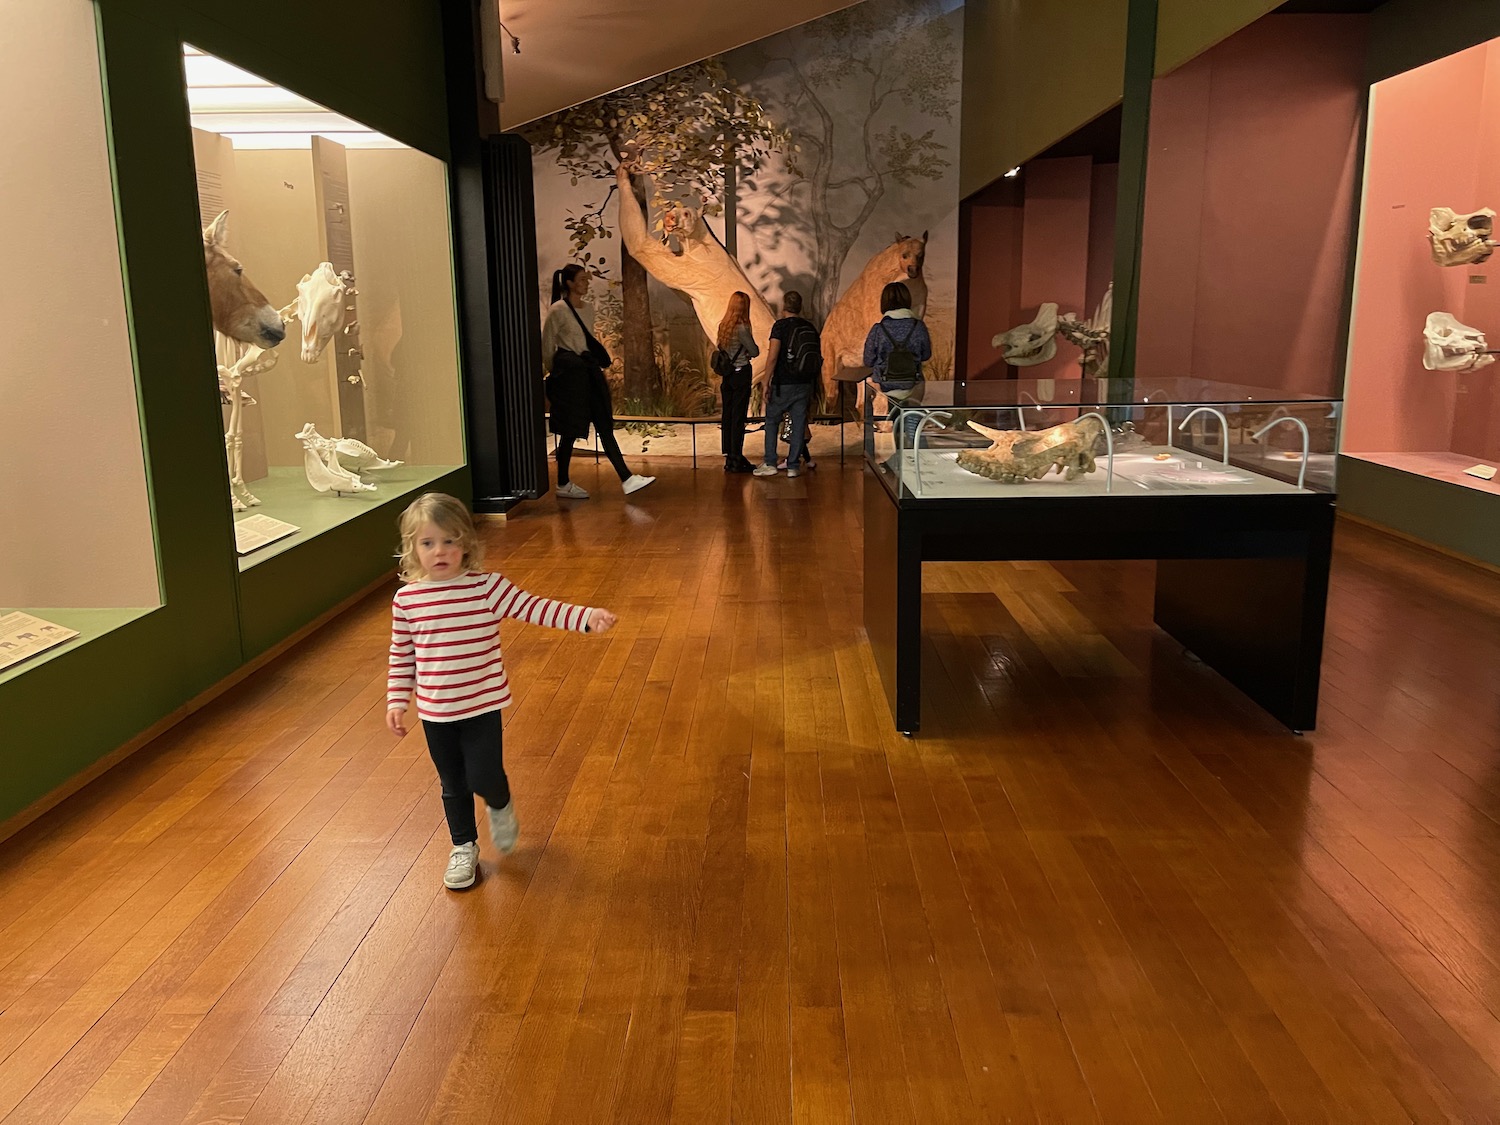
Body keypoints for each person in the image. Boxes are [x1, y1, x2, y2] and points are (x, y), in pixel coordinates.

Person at [385, 492, 618, 890]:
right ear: (412, 549)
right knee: (452, 784)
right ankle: (463, 847)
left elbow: (536, 607)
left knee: (484, 775)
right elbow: (402, 653)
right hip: (436, 714)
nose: (439, 551)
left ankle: (500, 801)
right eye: (428, 543)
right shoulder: (408, 600)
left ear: (466, 543)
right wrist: (396, 698)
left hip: (481, 707)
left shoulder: (486, 589)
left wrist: (585, 617)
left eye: (449, 540)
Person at [541, 265, 655, 499]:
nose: (586, 283)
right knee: (570, 431)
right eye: (582, 279)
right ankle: (563, 483)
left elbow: (586, 340)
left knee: (604, 425)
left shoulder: (588, 308)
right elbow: (547, 346)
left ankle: (627, 478)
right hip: (571, 377)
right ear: (570, 283)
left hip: (588, 372)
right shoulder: (558, 310)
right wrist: (559, 372)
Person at [754, 290, 821, 478]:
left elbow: (773, 356)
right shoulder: (810, 328)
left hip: (783, 383)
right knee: (799, 423)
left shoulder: (780, 327)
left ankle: (770, 462)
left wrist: (766, 381)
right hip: (804, 383)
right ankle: (793, 466)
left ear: (784, 306)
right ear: (800, 306)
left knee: (772, 421)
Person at [862, 280, 933, 445]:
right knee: (914, 427)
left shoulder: (878, 330)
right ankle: (917, 461)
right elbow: (926, 354)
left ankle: (901, 462)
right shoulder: (918, 326)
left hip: (888, 386)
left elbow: (868, 360)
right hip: (913, 384)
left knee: (898, 426)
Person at [714, 291, 759, 472]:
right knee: (738, 417)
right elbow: (754, 351)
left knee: (728, 416)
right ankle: (736, 457)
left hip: (728, 376)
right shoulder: (742, 328)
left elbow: (722, 347)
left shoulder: (723, 326)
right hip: (741, 374)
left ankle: (729, 456)